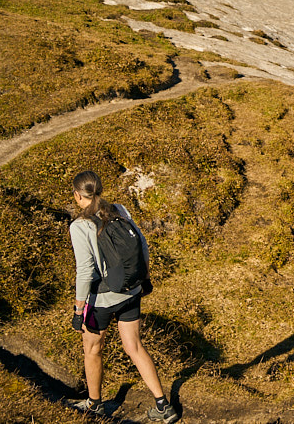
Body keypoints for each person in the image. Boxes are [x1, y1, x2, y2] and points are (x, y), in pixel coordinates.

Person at [68, 170, 180, 422]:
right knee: (135, 347)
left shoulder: (79, 226)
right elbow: (142, 244)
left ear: (77, 195)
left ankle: (94, 404)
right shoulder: (119, 209)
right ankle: (163, 405)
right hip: (131, 292)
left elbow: (85, 271)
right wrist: (144, 278)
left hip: (101, 300)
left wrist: (78, 310)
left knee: (93, 349)